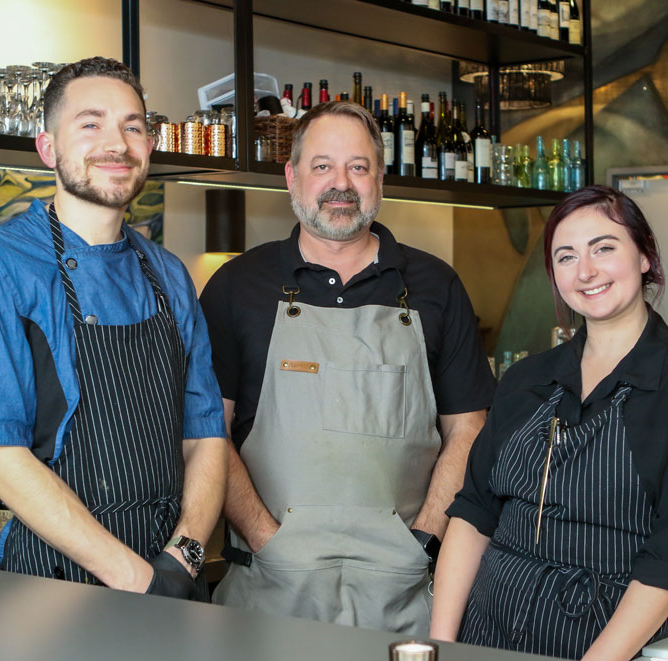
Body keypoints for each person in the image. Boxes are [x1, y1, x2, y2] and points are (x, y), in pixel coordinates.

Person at [199, 101, 495, 634]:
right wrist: (267, 539)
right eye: (322, 166)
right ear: (291, 177)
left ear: (380, 179)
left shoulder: (435, 286)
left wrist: (423, 537)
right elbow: (206, 433)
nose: (341, 183)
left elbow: (469, 429)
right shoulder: (236, 286)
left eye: (358, 167)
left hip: (404, 597)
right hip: (269, 593)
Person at [0, 57, 227, 599]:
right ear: (48, 149)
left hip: (171, 571)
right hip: (51, 584)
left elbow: (205, 432)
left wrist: (181, 559)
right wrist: (139, 579)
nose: (116, 143)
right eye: (90, 124)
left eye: (133, 126)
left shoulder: (168, 274)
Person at [429, 185, 668, 661]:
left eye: (604, 248)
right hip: (485, 634)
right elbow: (474, 516)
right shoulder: (526, 378)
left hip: (611, 646)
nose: (586, 271)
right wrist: (441, 649)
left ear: (644, 256)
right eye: (566, 256)